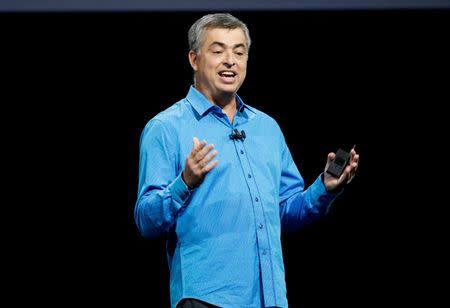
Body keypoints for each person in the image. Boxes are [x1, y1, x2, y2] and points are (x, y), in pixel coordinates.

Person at [134, 13, 359, 308]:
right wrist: (184, 183)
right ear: (194, 59)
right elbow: (146, 221)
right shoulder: (165, 128)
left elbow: (285, 214)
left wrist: (325, 188)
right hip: (205, 298)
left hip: (271, 298)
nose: (231, 60)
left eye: (239, 52)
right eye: (218, 50)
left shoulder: (267, 128)